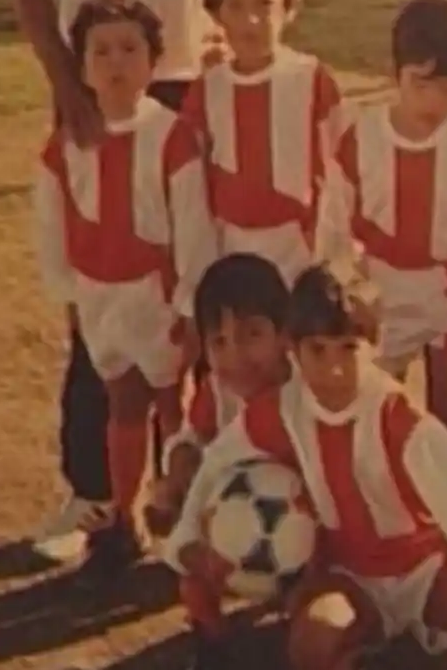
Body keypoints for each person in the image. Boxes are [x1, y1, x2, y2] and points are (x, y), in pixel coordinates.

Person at [2, 0, 309, 570]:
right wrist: (67, 84)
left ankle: (195, 487)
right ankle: (94, 493)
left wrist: (241, 37)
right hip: (106, 106)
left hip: (191, 105)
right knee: (103, 306)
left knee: (192, 304)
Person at [165, 266, 447, 670]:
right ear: (293, 348)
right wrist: (187, 536)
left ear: (373, 343)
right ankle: (367, 653)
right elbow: (217, 460)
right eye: (317, 350)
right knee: (311, 643)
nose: (334, 368)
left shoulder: (396, 415)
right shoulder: (285, 409)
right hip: (353, 577)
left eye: (348, 349)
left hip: (424, 567)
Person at [32, 0, 218, 573]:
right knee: (123, 403)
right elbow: (51, 219)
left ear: (154, 62)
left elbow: (192, 220)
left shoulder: (172, 136)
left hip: (156, 294)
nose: (116, 62)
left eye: (130, 49)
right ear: (82, 65)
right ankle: (126, 514)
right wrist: (69, 289)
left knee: (174, 406)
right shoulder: (66, 144)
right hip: (101, 297)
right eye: (102, 51)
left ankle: (182, 517)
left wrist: (189, 299)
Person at [330, 0, 447, 458]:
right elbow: (334, 225)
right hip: (382, 297)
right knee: (378, 415)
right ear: (396, 73)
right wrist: (351, 289)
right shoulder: (360, 138)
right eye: (421, 84)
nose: (434, 102)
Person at [144, 253, 293, 668]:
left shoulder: (303, 392)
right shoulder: (218, 391)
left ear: (285, 335)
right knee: (190, 561)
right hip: (234, 530)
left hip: (310, 538)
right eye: (220, 342)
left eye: (252, 334)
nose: (236, 356)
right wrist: (176, 482)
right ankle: (213, 642)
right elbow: (193, 438)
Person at [181, 0, 346, 284]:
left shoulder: (311, 80)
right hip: (231, 245)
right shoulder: (207, 89)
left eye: (264, 4)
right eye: (235, 6)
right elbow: (193, 185)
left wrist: (333, 256)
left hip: (297, 248)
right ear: (216, 12)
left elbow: (339, 172)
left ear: (288, 9)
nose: (250, 20)